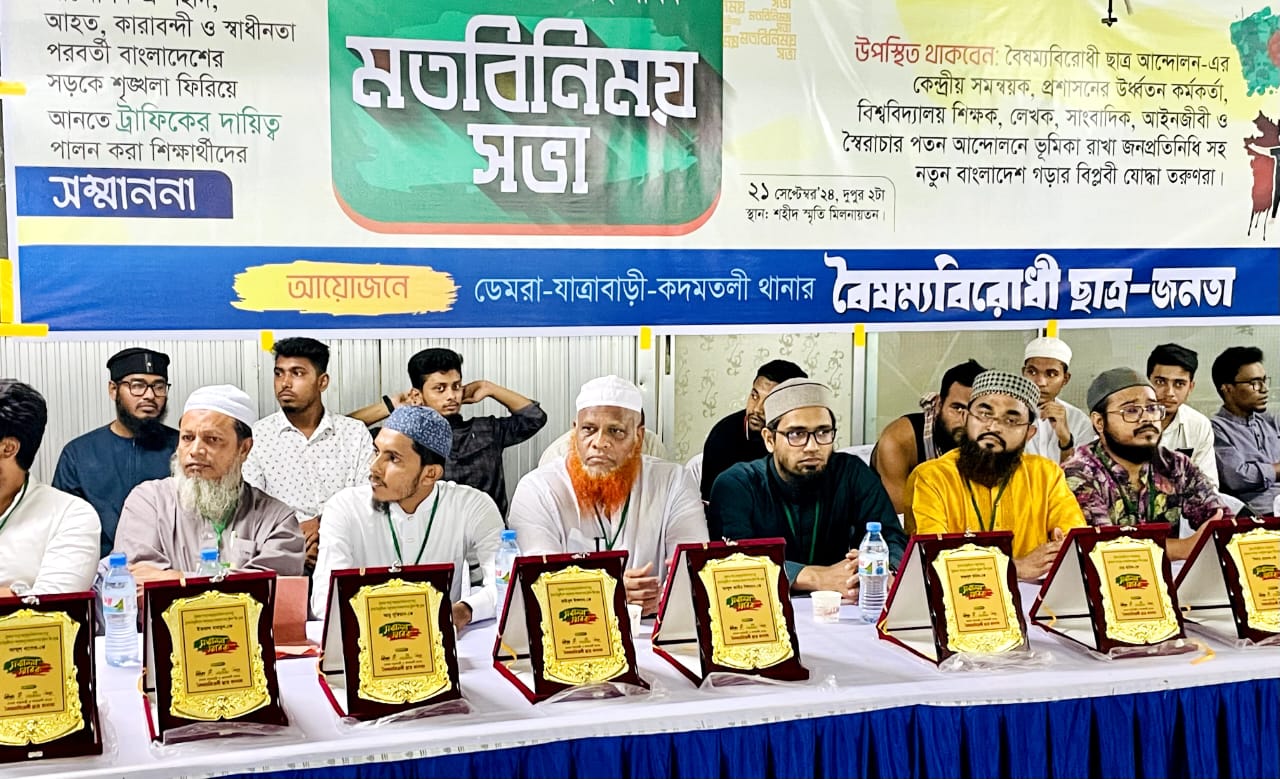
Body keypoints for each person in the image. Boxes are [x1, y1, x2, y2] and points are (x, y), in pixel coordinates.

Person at [508, 376, 707, 614]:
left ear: (638, 437)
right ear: (575, 431)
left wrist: (665, 597)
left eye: (616, 431)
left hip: (652, 624)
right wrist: (609, 595)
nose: (600, 442)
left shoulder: (674, 482)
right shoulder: (537, 489)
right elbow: (538, 581)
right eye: (589, 429)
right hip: (572, 627)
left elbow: (693, 569)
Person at [710, 378, 904, 602]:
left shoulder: (851, 473)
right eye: (796, 434)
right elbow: (733, 562)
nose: (812, 446)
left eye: (823, 432)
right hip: (761, 608)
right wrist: (813, 577)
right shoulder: (738, 484)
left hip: (842, 607)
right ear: (770, 439)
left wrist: (878, 566)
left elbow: (892, 539)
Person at [310, 406, 503, 629]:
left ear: (430, 474)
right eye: (376, 451)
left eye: (393, 458)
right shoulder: (345, 507)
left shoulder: (471, 506)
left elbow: (505, 587)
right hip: (364, 640)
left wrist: (464, 610)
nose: (374, 468)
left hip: (441, 643)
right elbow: (325, 601)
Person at [113, 385, 304, 581]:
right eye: (187, 438)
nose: (195, 450)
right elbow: (134, 582)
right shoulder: (149, 502)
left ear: (244, 449)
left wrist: (178, 579)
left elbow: (270, 589)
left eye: (212, 439)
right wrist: (232, 581)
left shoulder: (277, 521)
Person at [910, 370, 1086, 581]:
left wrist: (1064, 548)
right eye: (984, 414)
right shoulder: (931, 477)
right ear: (965, 418)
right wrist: (1013, 568)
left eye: (1011, 420)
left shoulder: (1046, 475)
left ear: (1029, 434)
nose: (993, 427)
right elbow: (934, 558)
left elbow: (1075, 544)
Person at [351, 348, 546, 515]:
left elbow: (534, 417)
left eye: (456, 386)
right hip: (425, 537)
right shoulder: (399, 439)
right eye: (440, 388)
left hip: (487, 535)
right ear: (417, 394)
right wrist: (391, 405)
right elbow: (345, 433)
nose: (452, 396)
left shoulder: (486, 430)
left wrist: (488, 387)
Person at [1062, 368, 1228, 560]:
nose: (1147, 418)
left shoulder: (1174, 464)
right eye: (1131, 411)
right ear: (1099, 422)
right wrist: (1183, 548)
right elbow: (1101, 547)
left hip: (1169, 576)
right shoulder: (1078, 473)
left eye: (1152, 408)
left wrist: (1220, 531)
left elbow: (1222, 522)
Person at [243, 337, 373, 572]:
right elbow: (251, 508)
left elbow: (367, 498)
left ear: (322, 382)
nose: (285, 383)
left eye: (297, 373)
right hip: (281, 559)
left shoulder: (353, 433)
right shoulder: (258, 436)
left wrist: (323, 524)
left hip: (347, 554)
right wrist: (294, 541)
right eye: (279, 373)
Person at [53, 348, 178, 556]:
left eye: (159, 386)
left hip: (170, 568)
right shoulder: (79, 454)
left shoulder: (184, 449)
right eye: (137, 386)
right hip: (98, 569)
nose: (150, 395)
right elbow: (64, 528)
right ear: (113, 390)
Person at [0, 381, 99, 595]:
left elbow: (51, 606)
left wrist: (18, 597)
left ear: (8, 448)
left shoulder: (70, 515)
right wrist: (16, 594)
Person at [870, 359, 985, 518]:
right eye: (957, 408)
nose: (965, 420)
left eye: (977, 412)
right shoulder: (899, 441)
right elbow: (901, 520)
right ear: (938, 404)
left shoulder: (994, 439)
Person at [699, 359, 808, 501]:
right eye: (754, 396)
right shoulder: (723, 437)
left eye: (769, 401)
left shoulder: (806, 437)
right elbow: (713, 503)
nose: (757, 409)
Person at [1210, 346, 1280, 515]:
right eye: (1254, 383)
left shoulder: (1272, 421)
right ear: (1227, 388)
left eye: (1264, 381)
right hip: (1258, 517)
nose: (1264, 389)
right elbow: (1238, 478)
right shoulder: (1216, 429)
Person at [1147, 343, 1219, 490]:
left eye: (1179, 384)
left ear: (1190, 387)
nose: (1169, 393)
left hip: (1183, 502)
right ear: (1147, 382)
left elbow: (1208, 486)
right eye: (1160, 382)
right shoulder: (1126, 420)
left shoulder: (1199, 425)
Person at [1021, 337, 1095, 463]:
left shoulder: (1079, 421)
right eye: (1032, 372)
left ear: (1065, 379)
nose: (1040, 382)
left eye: (1051, 374)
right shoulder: (1003, 415)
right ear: (1024, 373)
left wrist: (1065, 439)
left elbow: (1082, 471)